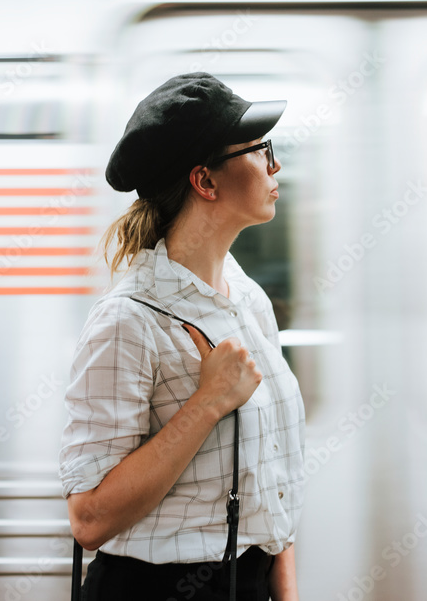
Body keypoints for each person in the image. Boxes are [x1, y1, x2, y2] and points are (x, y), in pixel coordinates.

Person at [60, 72, 305, 601]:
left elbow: (273, 486)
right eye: (260, 149)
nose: (275, 164)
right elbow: (89, 517)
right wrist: (209, 402)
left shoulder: (247, 298)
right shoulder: (128, 320)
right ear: (206, 182)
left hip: (247, 582)